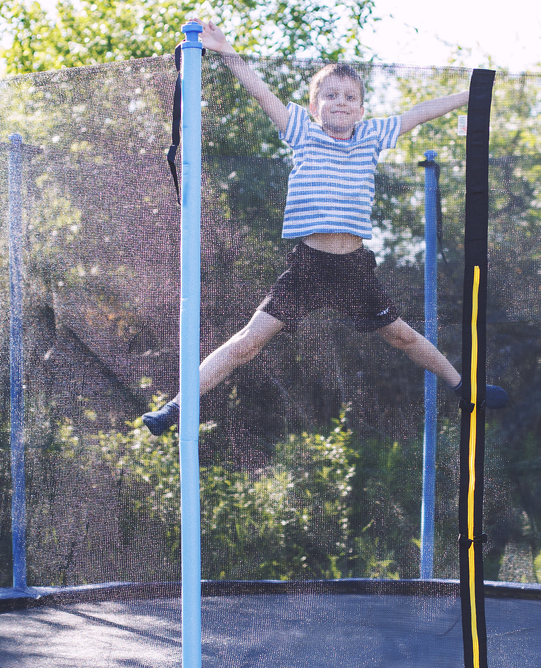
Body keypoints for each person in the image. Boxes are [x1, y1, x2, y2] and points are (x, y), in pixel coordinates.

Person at [142, 20, 508, 435]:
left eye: (350, 97)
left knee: (403, 337)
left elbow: (418, 113)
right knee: (247, 344)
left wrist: (471, 94)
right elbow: (262, 93)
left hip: (354, 269)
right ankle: (176, 405)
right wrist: (226, 51)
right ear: (314, 108)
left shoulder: (371, 136)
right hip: (308, 268)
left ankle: (464, 387)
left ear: (362, 109)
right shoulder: (301, 131)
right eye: (330, 96)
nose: (341, 102)